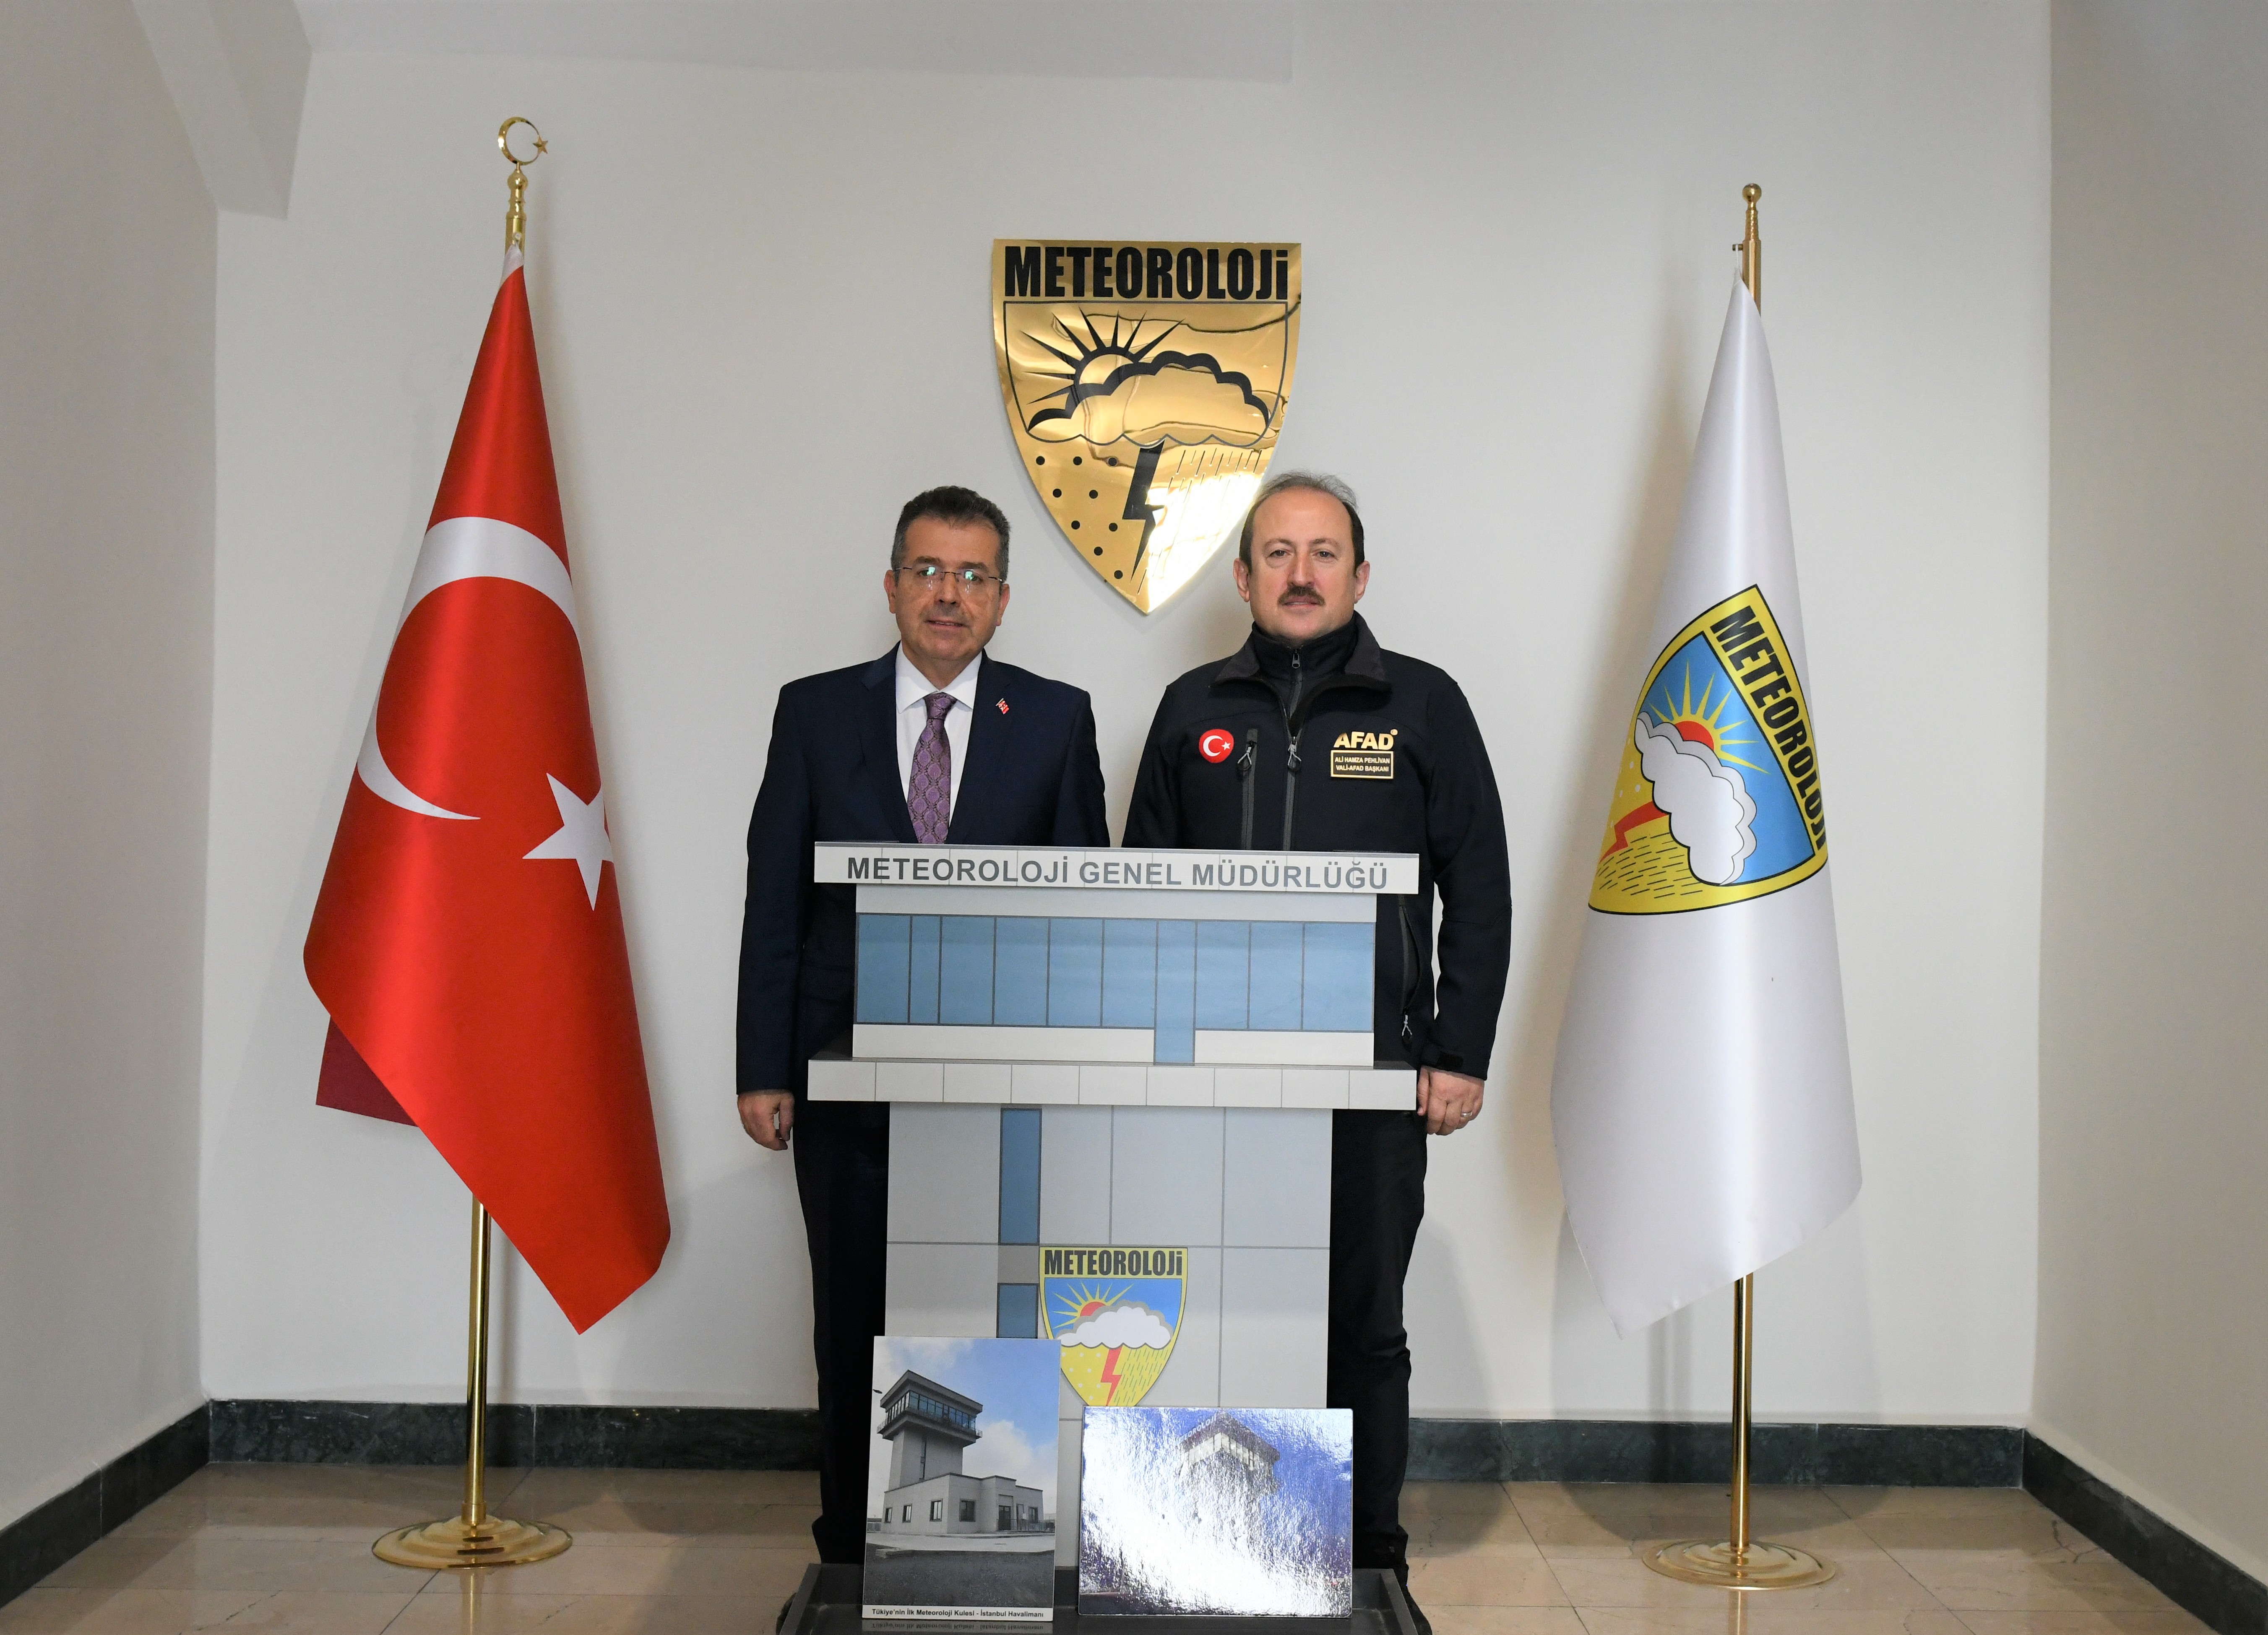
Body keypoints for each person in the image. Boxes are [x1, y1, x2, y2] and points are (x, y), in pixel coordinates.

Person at [1121, 471, 1511, 1625]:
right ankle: (1200, 1558)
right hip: (1209, 1085)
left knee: (1363, 1327)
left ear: (1361, 574)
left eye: (1324, 552)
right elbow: (1137, 893)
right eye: (1279, 554)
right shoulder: (1190, 707)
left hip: (1374, 1081)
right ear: (1244, 578)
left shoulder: (1424, 707)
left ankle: (1370, 1563)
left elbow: (1479, 889)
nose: (1301, 574)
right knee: (1209, 1316)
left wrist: (1458, 1051)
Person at [737, 486, 1109, 1569]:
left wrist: (1077, 1079)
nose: (950, 595)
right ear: (893, 586)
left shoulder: (1057, 720)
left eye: (974, 575)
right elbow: (775, 901)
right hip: (843, 1079)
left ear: (1003, 600)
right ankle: (850, 1559)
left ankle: (987, 1570)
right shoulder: (814, 713)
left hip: (1005, 1092)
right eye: (930, 571)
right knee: (850, 1316)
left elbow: (1083, 914)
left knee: (991, 1315)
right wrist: (765, 1067)